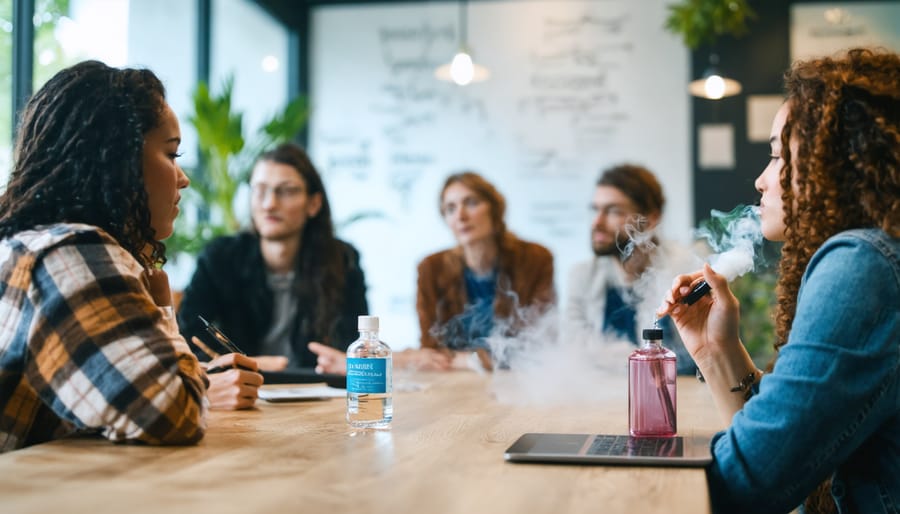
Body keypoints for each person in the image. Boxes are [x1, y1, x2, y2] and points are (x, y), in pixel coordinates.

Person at [657, 48, 899, 513]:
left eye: (775, 155)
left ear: (839, 159)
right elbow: (783, 456)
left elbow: (752, 480)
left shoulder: (862, 266)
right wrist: (717, 350)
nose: (761, 181)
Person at [0, 60, 234, 451]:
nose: (184, 178)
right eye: (171, 155)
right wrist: (162, 306)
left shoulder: (34, 242)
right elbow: (173, 413)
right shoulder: (70, 253)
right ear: (117, 157)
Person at [178, 143, 369, 372]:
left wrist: (346, 362)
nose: (269, 204)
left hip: (317, 393)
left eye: (286, 191)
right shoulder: (220, 258)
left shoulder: (342, 260)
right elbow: (187, 337)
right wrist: (242, 363)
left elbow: (355, 344)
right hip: (241, 392)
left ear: (313, 204)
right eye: (260, 190)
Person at [566, 164, 698, 374]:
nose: (596, 222)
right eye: (596, 210)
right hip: (600, 396)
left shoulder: (685, 271)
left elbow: (694, 356)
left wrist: (608, 356)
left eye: (613, 211)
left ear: (651, 219)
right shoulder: (582, 276)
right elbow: (575, 350)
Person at [416, 171, 556, 369]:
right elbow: (430, 352)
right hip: (453, 380)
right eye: (450, 208)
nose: (461, 216)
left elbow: (538, 343)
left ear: (495, 209)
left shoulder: (534, 259)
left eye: (471, 202)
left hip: (518, 380)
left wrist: (476, 360)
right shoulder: (431, 268)